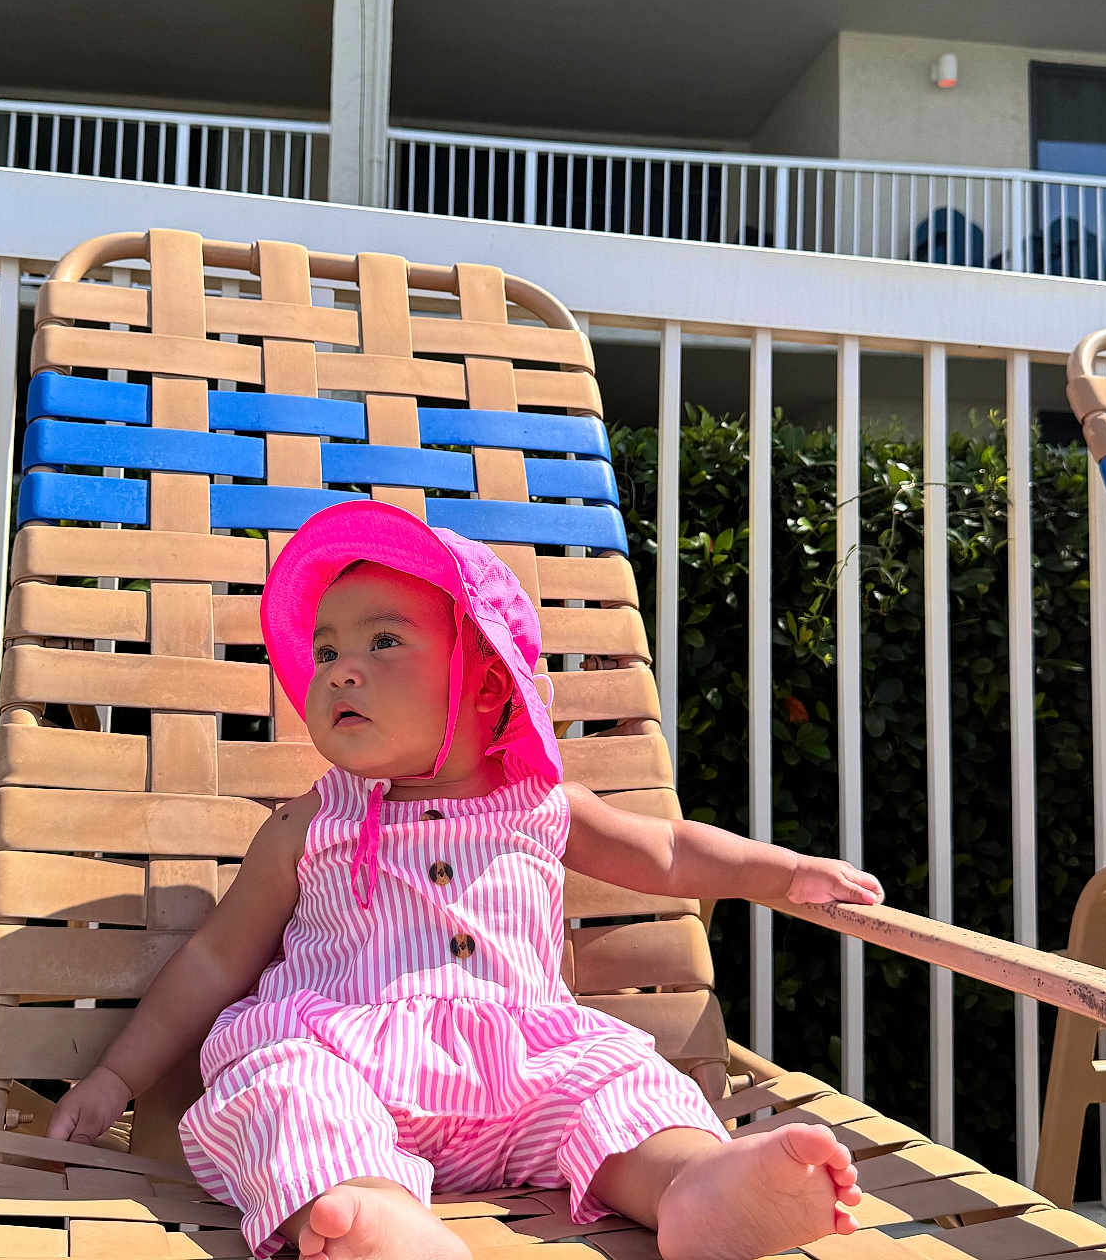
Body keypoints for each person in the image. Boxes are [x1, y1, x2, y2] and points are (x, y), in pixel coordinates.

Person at [47, 500, 886, 1260]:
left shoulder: (543, 802)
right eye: (327, 648)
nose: (340, 667)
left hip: (525, 1073)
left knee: (622, 1087)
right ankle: (369, 1216)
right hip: (350, 1060)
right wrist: (118, 1077)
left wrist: (787, 872)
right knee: (283, 1087)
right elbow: (213, 962)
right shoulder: (308, 823)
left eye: (384, 641)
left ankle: (694, 1188)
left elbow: (667, 852)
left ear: (486, 680)